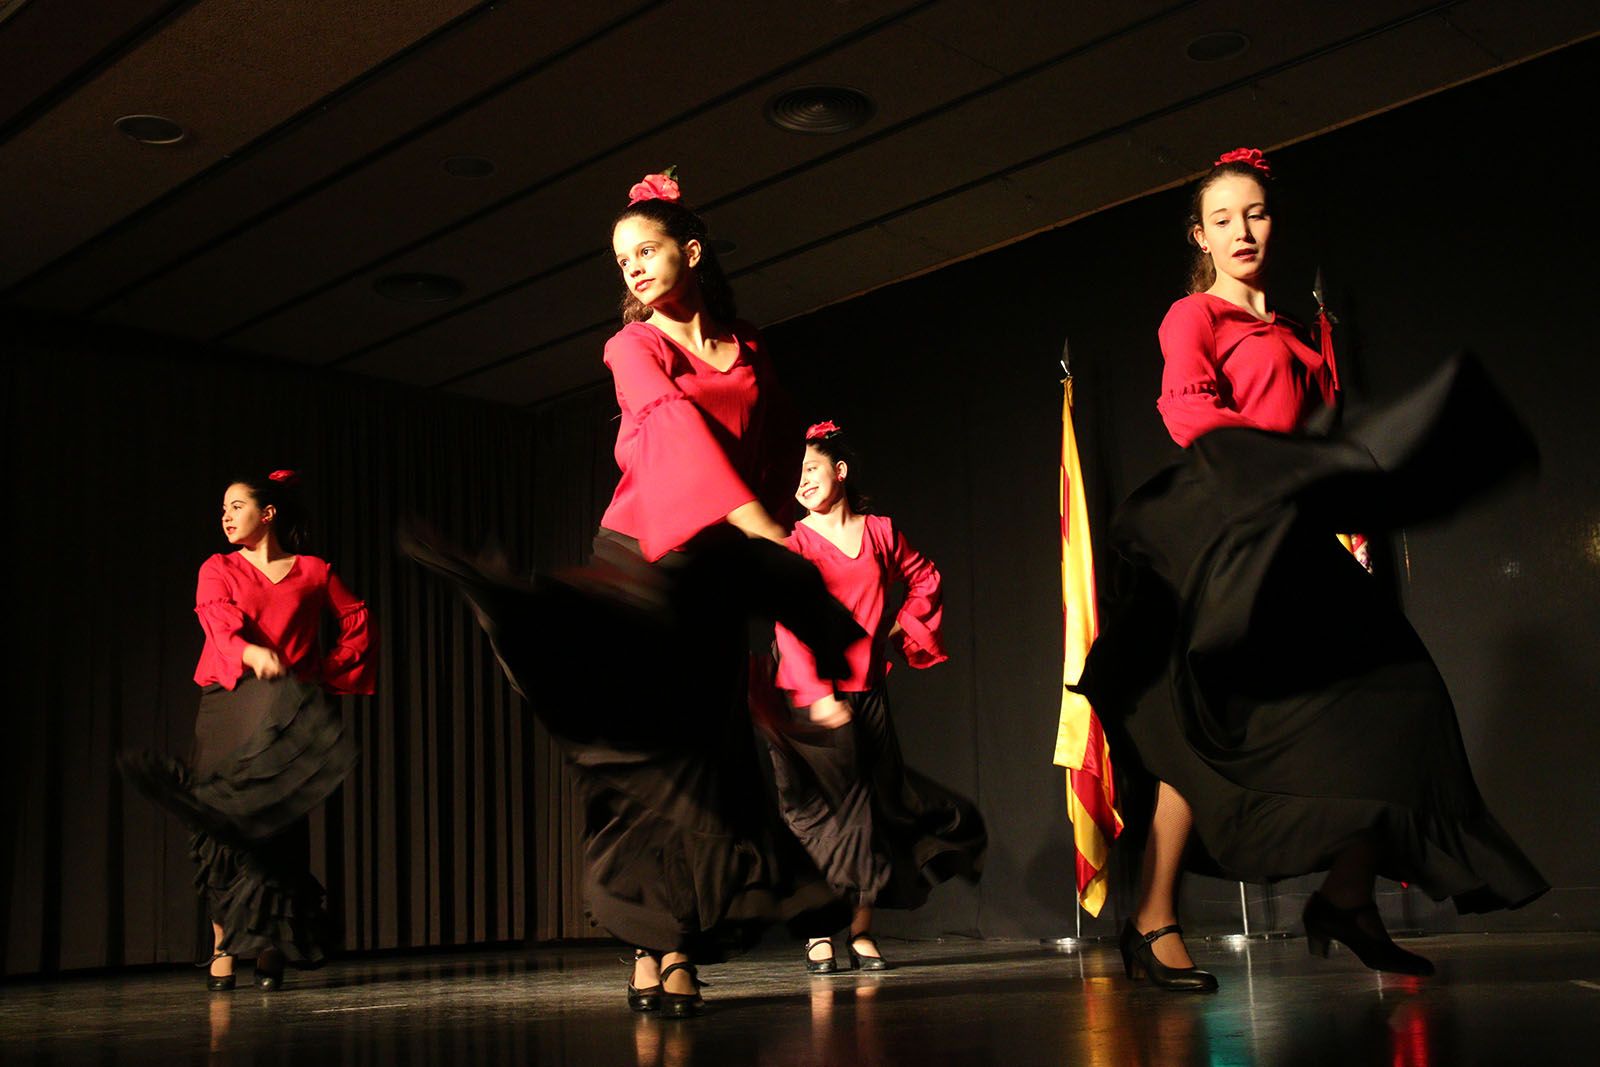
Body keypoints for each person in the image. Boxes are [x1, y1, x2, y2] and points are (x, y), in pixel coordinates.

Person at [1081, 147, 1547, 994]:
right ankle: (1153, 916)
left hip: (1301, 543)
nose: (1242, 230)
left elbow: (1321, 444)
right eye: (1222, 219)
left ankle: (1344, 899)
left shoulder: (1294, 331)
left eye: (1254, 213)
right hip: (1229, 534)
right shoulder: (1195, 317)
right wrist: (1281, 469)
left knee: (1406, 705)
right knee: (1208, 724)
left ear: (1273, 220)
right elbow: (1189, 414)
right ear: (1201, 235)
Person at [405, 170, 859, 1017]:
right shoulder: (633, 347)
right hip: (646, 553)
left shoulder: (751, 347)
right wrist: (760, 524)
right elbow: (673, 432)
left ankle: (669, 940)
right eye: (622, 260)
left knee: (706, 759)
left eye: (645, 250)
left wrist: (764, 545)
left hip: (717, 572)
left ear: (691, 250)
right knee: (650, 759)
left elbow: (769, 438)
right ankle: (662, 946)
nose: (634, 270)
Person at [121, 470, 375, 991]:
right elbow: (216, 622)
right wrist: (250, 652)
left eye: (236, 505)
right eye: (223, 509)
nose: (226, 516)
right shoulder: (218, 568)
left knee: (277, 830)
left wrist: (325, 671)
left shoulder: (313, 571)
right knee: (222, 824)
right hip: (229, 703)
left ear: (269, 513)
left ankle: (268, 946)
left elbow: (356, 616)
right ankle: (221, 947)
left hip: (286, 707)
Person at [765, 422, 985, 973]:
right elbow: (787, 622)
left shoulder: (881, 531)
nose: (802, 483)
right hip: (807, 695)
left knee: (876, 812)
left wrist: (895, 631)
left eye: (810, 469)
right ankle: (819, 932)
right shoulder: (795, 541)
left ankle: (861, 930)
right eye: (796, 477)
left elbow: (925, 578)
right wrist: (818, 694)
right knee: (822, 816)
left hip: (867, 693)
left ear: (839, 470)